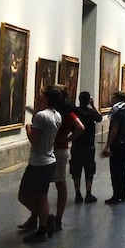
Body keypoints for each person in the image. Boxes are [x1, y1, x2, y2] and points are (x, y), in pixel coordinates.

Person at [18, 86, 62, 243]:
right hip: (49, 160)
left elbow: (34, 139)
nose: (40, 95)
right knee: (41, 195)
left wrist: (28, 127)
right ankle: (43, 222)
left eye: (42, 93)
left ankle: (44, 222)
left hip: (38, 162)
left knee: (24, 195)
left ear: (47, 98)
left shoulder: (41, 116)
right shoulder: (57, 115)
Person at [51, 86, 83, 231]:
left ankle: (57, 218)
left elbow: (80, 127)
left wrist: (68, 139)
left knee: (60, 183)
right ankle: (39, 217)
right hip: (52, 148)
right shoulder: (54, 109)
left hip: (59, 149)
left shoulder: (67, 111)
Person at [71, 91, 103, 203]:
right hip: (89, 145)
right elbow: (99, 118)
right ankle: (88, 193)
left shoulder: (75, 112)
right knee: (89, 169)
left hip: (76, 144)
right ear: (88, 100)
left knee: (76, 170)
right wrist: (93, 105)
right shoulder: (91, 112)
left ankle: (77, 194)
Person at [101, 91, 125, 205]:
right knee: (123, 169)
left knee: (115, 170)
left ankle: (116, 195)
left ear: (117, 99)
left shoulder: (116, 111)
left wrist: (107, 145)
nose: (112, 99)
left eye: (113, 97)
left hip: (117, 144)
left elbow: (114, 129)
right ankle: (124, 195)